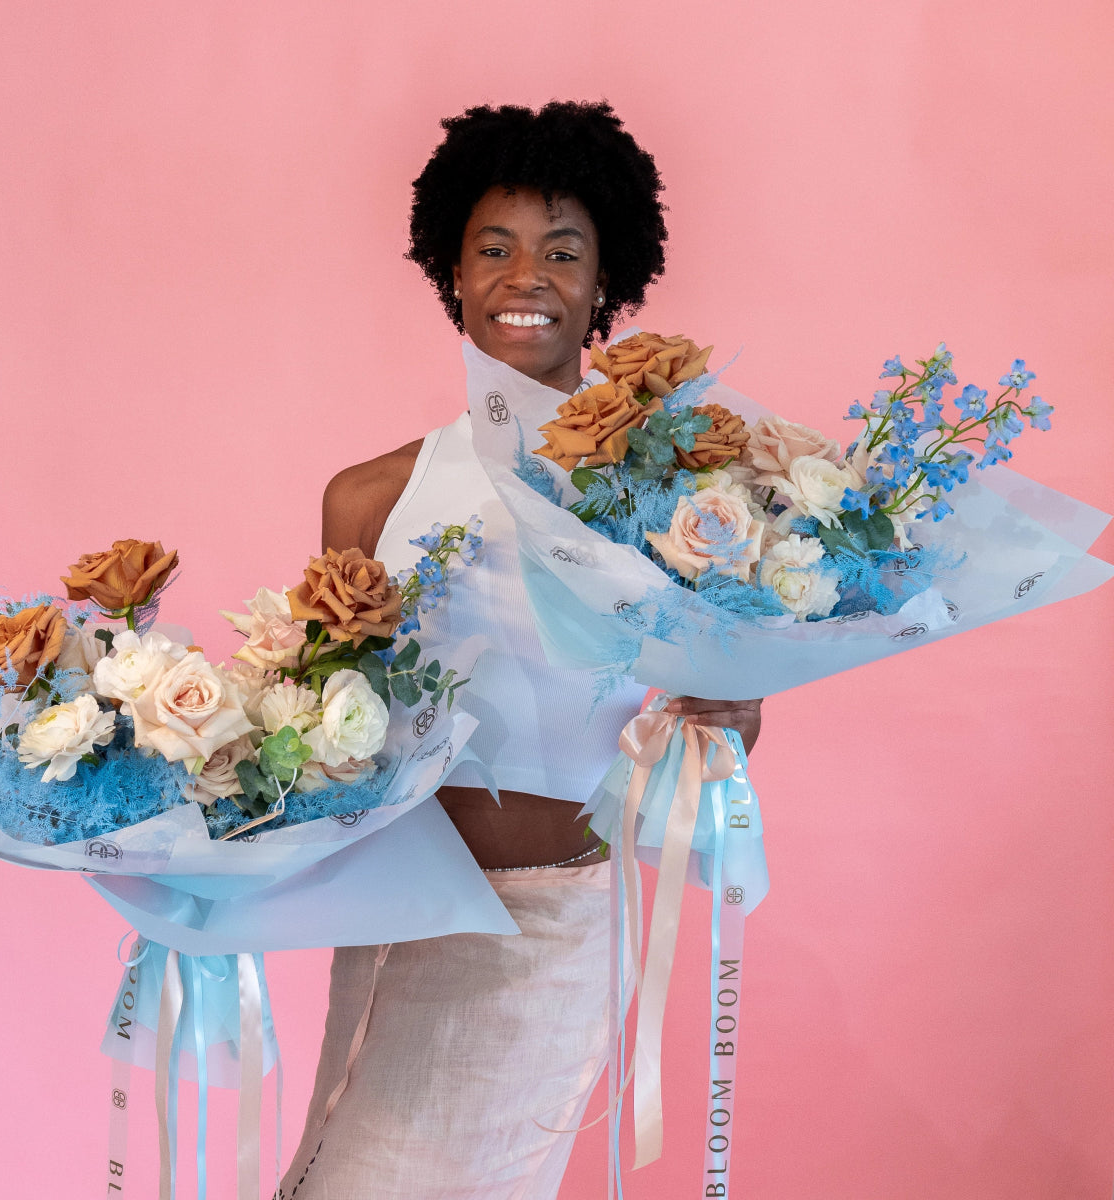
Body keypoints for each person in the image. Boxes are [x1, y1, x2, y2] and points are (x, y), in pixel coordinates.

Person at [278, 101, 762, 1200]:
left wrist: (733, 711)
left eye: (561, 251)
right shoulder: (372, 495)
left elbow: (731, 723)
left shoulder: (681, 497)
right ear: (451, 272)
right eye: (493, 248)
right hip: (398, 903)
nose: (524, 276)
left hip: (553, 924)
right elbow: (318, 734)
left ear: (606, 284)